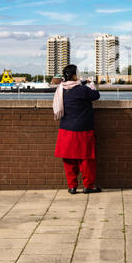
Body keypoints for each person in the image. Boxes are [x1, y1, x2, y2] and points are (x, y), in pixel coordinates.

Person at [53, 64, 102, 194]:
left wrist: (84, 81)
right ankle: (88, 186)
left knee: (68, 159)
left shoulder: (61, 89)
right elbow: (96, 95)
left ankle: (72, 186)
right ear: (75, 75)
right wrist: (91, 84)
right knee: (86, 159)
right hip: (83, 129)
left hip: (66, 128)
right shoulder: (82, 90)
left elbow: (74, 84)